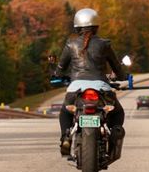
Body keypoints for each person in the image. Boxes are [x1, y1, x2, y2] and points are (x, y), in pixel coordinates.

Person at [52, 8, 127, 159]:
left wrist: (58, 74)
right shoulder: (104, 44)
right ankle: (114, 135)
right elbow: (116, 67)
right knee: (117, 112)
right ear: (96, 27)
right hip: (101, 87)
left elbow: (59, 71)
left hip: (76, 88)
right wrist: (121, 76)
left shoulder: (70, 44)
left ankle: (65, 138)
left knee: (65, 112)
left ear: (77, 27)